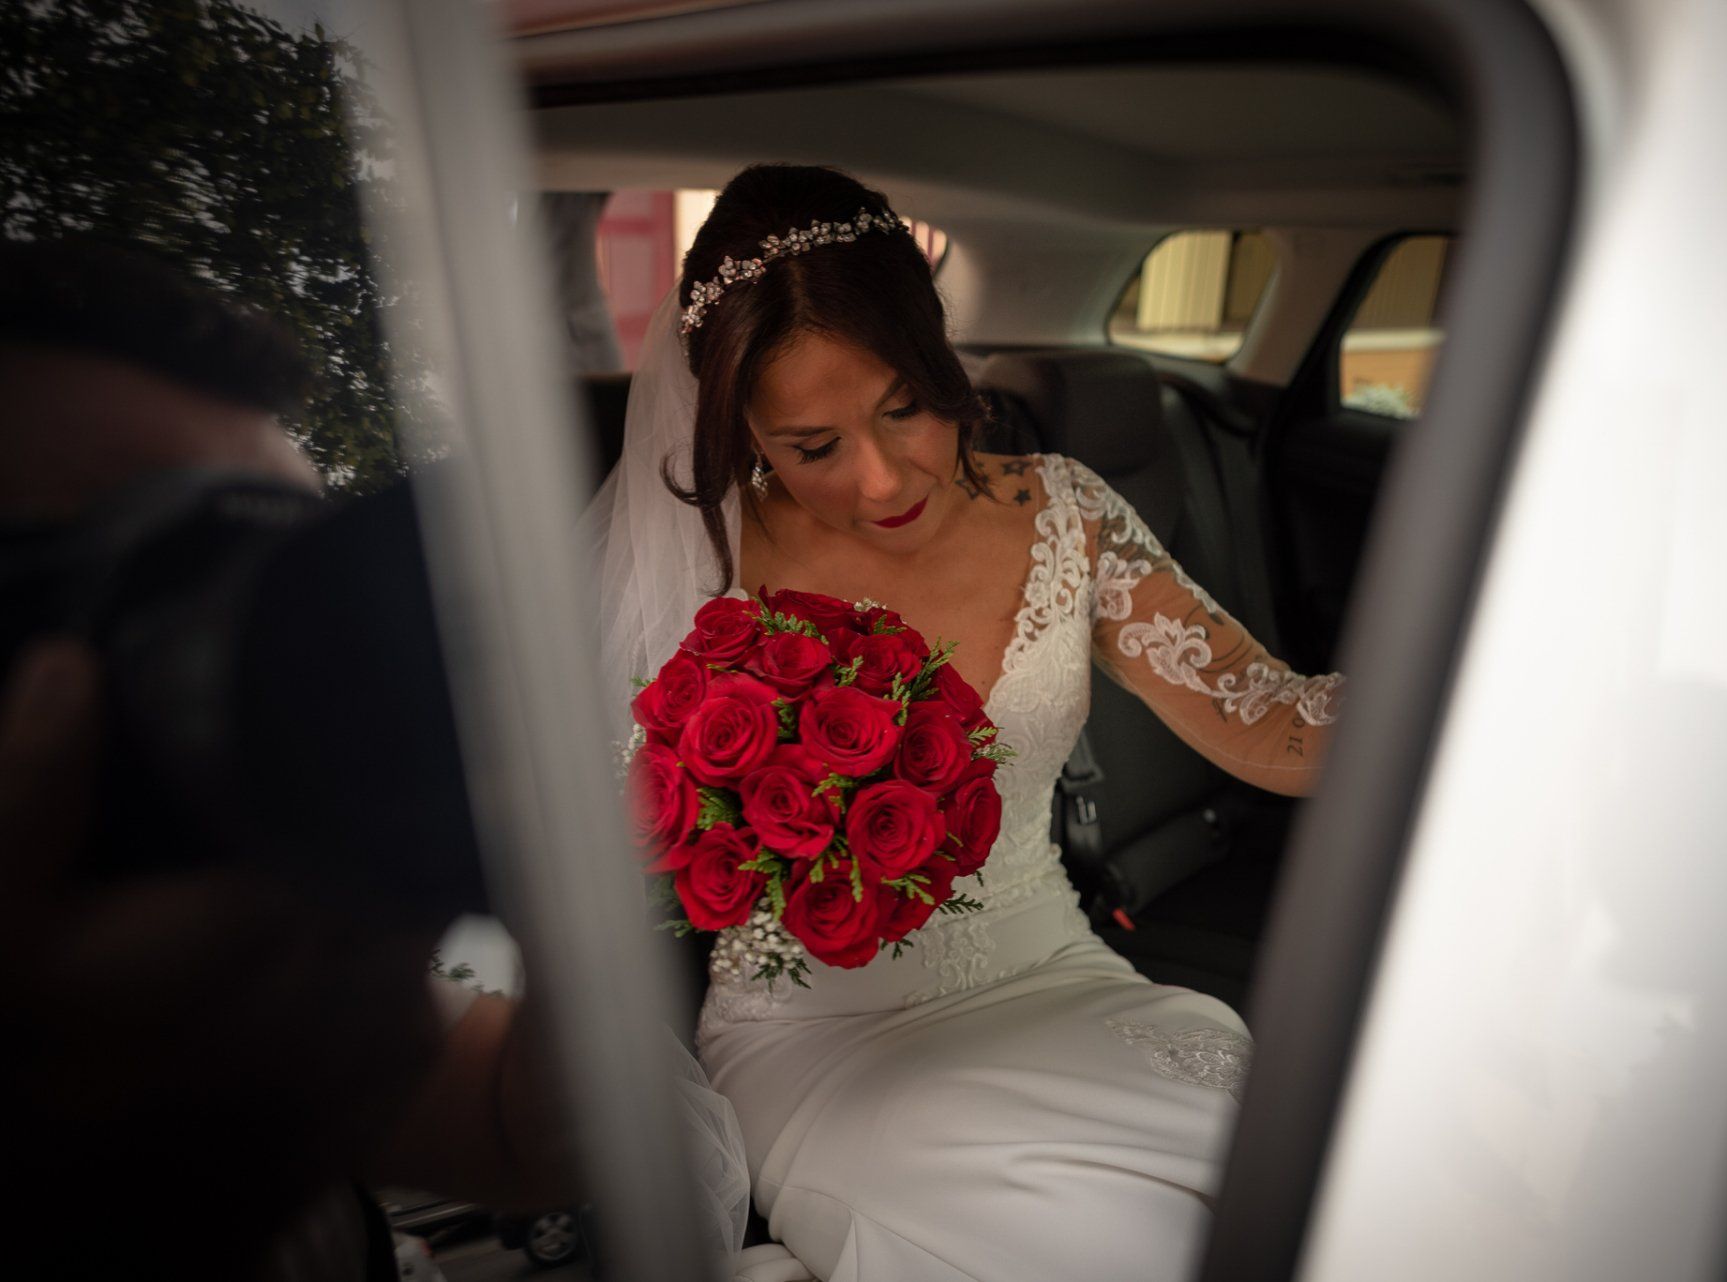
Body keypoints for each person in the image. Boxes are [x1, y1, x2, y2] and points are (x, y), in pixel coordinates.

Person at [585, 164, 1345, 1281]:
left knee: (1314, 1186)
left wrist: (1501, 695)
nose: (883, 475)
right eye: (813, 447)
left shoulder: (1064, 513)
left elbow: (1272, 721)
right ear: (740, 420)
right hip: (823, 1048)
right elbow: (598, 848)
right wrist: (742, 829)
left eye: (904, 407)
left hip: (1059, 979)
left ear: (941, 354)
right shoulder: (698, 564)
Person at [0, 240, 584, 1280]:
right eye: (124, 581)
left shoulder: (271, 948)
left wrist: (581, 861)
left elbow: (526, 1135)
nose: (295, 683)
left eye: (280, 580)